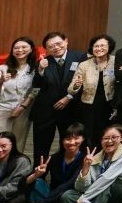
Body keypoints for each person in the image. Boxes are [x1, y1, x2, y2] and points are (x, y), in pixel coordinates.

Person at [31, 31, 88, 161]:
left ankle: (65, 169)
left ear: (66, 41)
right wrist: (40, 70)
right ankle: (39, 171)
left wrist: (69, 97)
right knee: (41, 147)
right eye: (51, 46)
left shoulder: (80, 57)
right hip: (46, 111)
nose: (56, 48)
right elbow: (36, 85)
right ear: (46, 48)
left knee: (69, 145)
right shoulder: (43, 62)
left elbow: (86, 82)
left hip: (71, 109)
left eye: (58, 43)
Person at [25, 123, 87, 203]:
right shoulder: (54, 158)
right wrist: (35, 175)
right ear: (62, 140)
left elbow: (70, 184)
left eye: (76, 138)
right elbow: (23, 183)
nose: (72, 142)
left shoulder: (85, 159)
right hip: (53, 196)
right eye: (68, 139)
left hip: (70, 197)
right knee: (36, 182)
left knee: (65, 194)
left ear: (83, 139)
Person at [68, 34, 116, 144]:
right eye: (96, 46)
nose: (99, 48)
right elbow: (71, 89)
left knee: (107, 134)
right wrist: (76, 85)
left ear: (109, 47)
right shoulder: (84, 65)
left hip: (109, 105)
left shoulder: (116, 61)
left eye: (102, 45)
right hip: (89, 106)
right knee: (90, 136)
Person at [0, 38, 36, 145]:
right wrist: (0, 82)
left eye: (24, 47)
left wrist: (23, 107)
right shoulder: (2, 68)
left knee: (18, 144)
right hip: (1, 110)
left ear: (31, 49)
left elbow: (35, 90)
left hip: (23, 112)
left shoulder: (34, 69)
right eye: (16, 48)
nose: (20, 50)